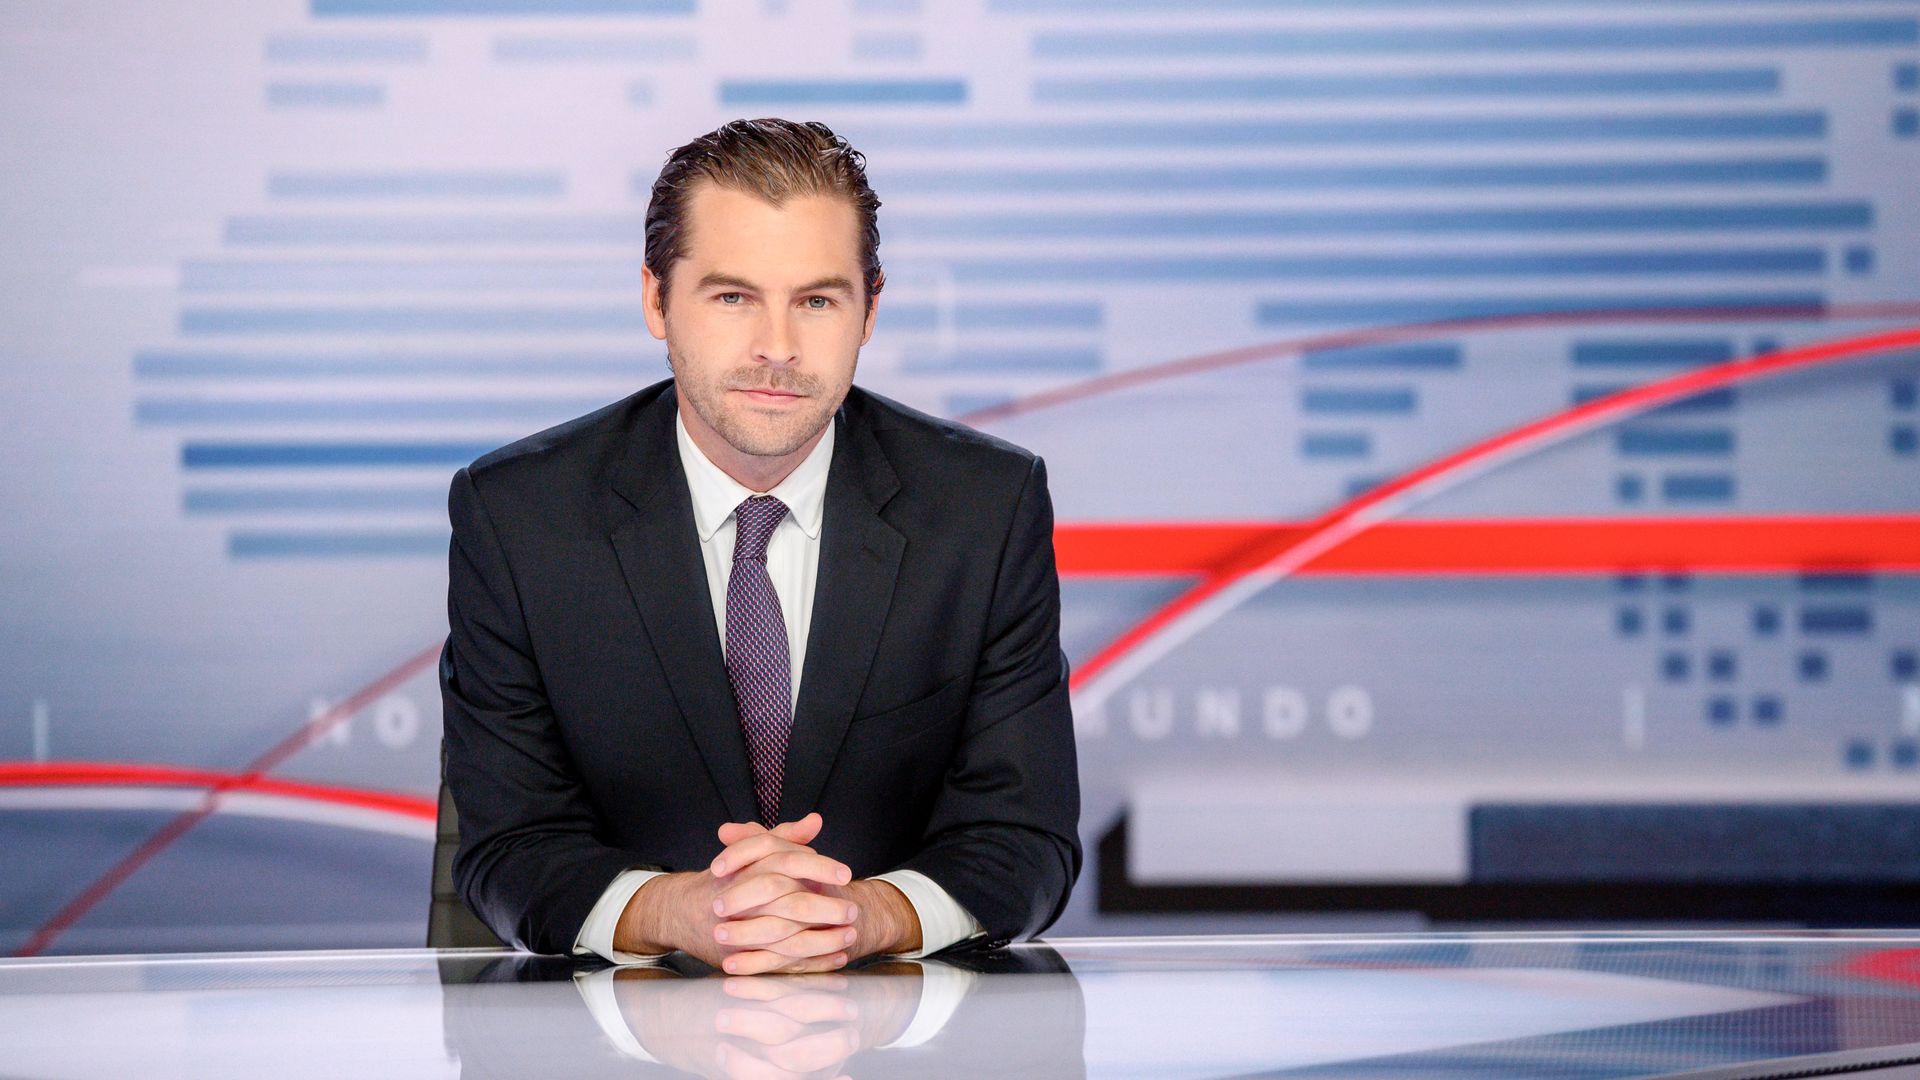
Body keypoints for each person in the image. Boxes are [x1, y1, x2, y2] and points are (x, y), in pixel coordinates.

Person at [439, 118, 1081, 976]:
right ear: (655, 300)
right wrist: (685, 910)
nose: (777, 348)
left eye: (817, 300)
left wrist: (864, 916)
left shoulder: (985, 509)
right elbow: (507, 846)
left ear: (870, 310)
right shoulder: (519, 516)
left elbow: (1026, 839)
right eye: (732, 296)